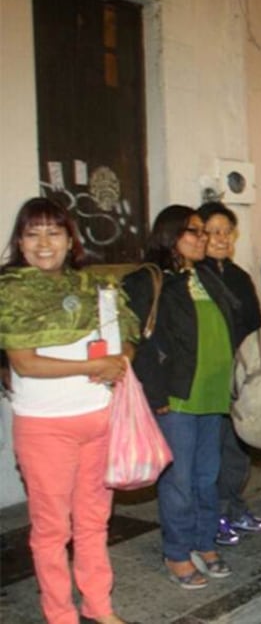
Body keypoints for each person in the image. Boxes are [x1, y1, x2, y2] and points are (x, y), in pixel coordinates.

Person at [0, 197, 139, 624]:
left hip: (99, 421)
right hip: (45, 428)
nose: (44, 243)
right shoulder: (10, 291)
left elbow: (126, 335)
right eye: (33, 234)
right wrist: (94, 366)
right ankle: (60, 615)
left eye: (54, 232)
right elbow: (25, 363)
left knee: (94, 523)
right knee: (51, 530)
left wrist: (120, 360)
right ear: (20, 242)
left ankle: (100, 607)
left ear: (69, 239)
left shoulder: (94, 285)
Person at [123, 205, 237, 590]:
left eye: (205, 231)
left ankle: (204, 543)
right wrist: (156, 393)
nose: (204, 238)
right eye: (195, 231)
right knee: (179, 480)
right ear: (170, 235)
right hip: (177, 398)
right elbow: (138, 341)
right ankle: (176, 551)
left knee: (207, 477)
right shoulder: (149, 280)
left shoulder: (205, 276)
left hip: (213, 395)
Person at [194, 202, 261, 547]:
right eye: (214, 232)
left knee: (238, 449)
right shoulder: (194, 278)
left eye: (227, 232)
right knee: (213, 453)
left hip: (241, 376)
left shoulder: (238, 276)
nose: (222, 239)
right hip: (211, 379)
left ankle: (235, 506)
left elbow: (254, 326)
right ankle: (216, 515)